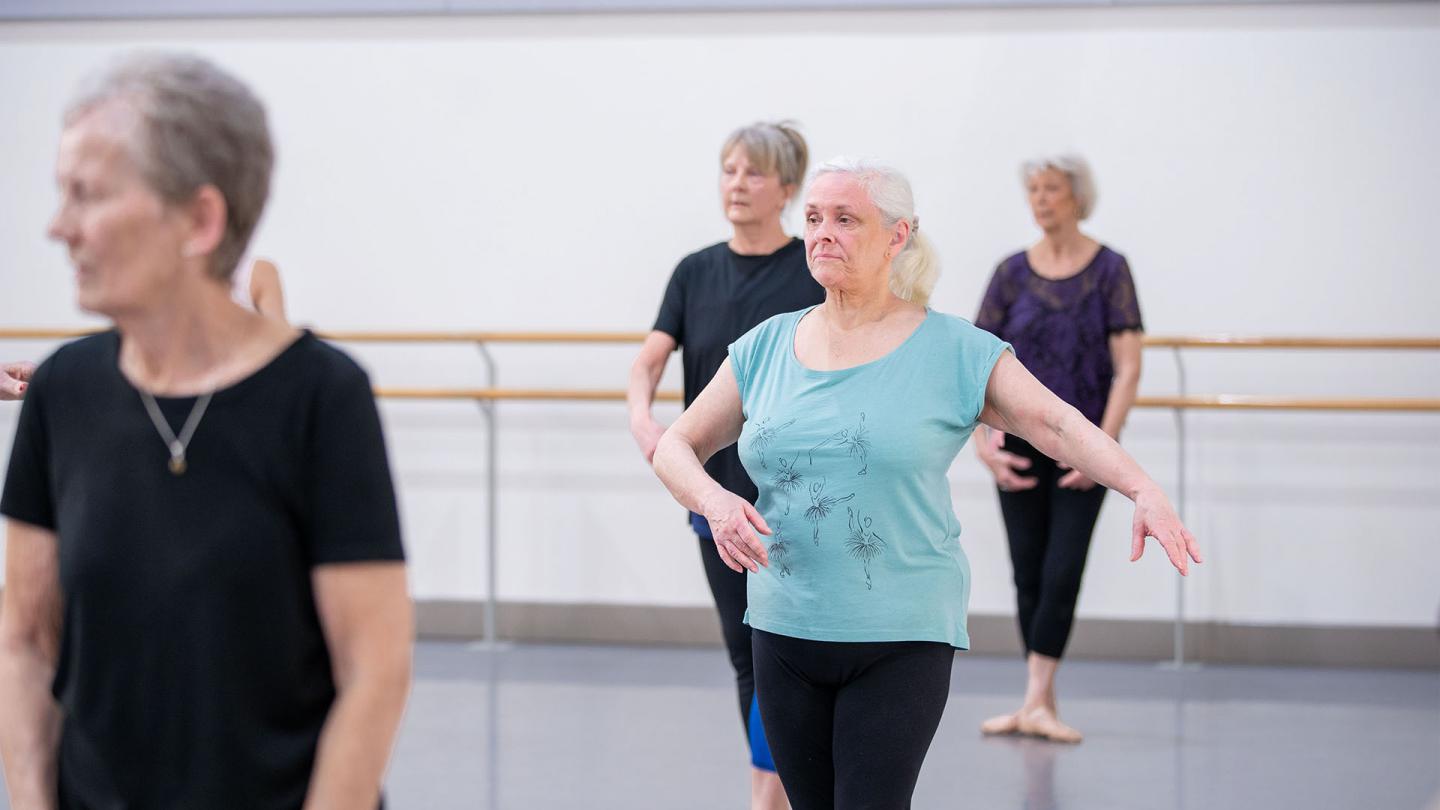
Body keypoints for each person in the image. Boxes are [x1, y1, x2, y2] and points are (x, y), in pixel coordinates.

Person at [651, 156, 1200, 809]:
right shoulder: (764, 347)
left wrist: (1141, 487)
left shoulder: (954, 350)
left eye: (846, 219)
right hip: (783, 628)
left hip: (900, 635)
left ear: (897, 235)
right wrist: (714, 501)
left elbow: (1055, 424)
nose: (822, 233)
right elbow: (677, 445)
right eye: (816, 219)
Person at [0, 53, 412, 809]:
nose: (59, 228)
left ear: (199, 220)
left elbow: (374, 668)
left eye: (86, 196)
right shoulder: (64, 392)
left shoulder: (323, 399)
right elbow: (23, 639)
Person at [628, 120, 823, 809]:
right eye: (729, 170)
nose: (737, 185)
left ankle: (778, 794)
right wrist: (643, 418)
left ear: (788, 190)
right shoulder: (694, 270)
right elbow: (649, 359)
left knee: (786, 651)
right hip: (713, 494)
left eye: (754, 173)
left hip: (794, 496)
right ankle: (766, 792)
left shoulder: (810, 269)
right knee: (747, 655)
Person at [974, 154, 1144, 744]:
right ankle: (1036, 700)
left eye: (1053, 189)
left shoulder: (1111, 271)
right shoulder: (1009, 273)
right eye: (1034, 191)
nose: (1042, 200)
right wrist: (982, 445)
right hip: (1018, 446)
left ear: (1078, 197)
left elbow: (1127, 370)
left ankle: (1035, 701)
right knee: (1027, 574)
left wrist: (1102, 447)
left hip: (1082, 450)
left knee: (1062, 569)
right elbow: (971, 363)